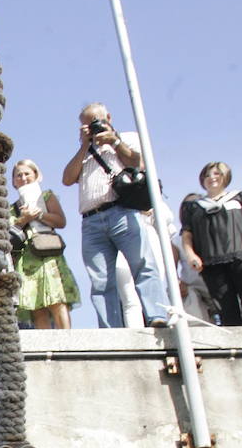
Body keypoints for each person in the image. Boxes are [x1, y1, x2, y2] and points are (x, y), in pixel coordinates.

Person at [60, 103, 168, 327]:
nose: (92, 127)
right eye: (87, 124)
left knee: (142, 264)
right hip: (91, 220)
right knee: (100, 279)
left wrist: (114, 141)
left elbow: (138, 162)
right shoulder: (84, 152)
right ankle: (110, 328)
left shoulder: (127, 138)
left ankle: (158, 315)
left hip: (121, 211)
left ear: (107, 117)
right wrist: (84, 146)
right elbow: (67, 179)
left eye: (95, 121)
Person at [179, 162, 242, 326]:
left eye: (217, 174)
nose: (211, 178)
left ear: (225, 176)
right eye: (207, 175)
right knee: (226, 307)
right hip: (212, 262)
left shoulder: (241, 197)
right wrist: (191, 255)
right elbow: (187, 235)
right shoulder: (193, 206)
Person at [10, 160, 79, 329]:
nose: (23, 177)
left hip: (48, 252)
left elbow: (60, 221)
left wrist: (39, 215)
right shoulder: (12, 208)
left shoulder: (47, 195)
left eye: (27, 173)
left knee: (57, 299)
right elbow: (10, 233)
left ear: (36, 175)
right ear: (13, 181)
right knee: (36, 305)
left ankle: (67, 343)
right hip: (27, 257)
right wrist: (23, 220)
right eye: (18, 175)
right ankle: (45, 347)